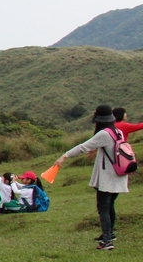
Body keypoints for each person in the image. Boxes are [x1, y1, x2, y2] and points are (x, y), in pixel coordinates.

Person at [53, 105, 134, 250]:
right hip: (119, 174)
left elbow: (83, 146)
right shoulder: (118, 131)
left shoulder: (104, 134)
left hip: (108, 176)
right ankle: (109, 234)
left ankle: (107, 241)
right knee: (109, 205)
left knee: (103, 206)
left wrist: (64, 156)